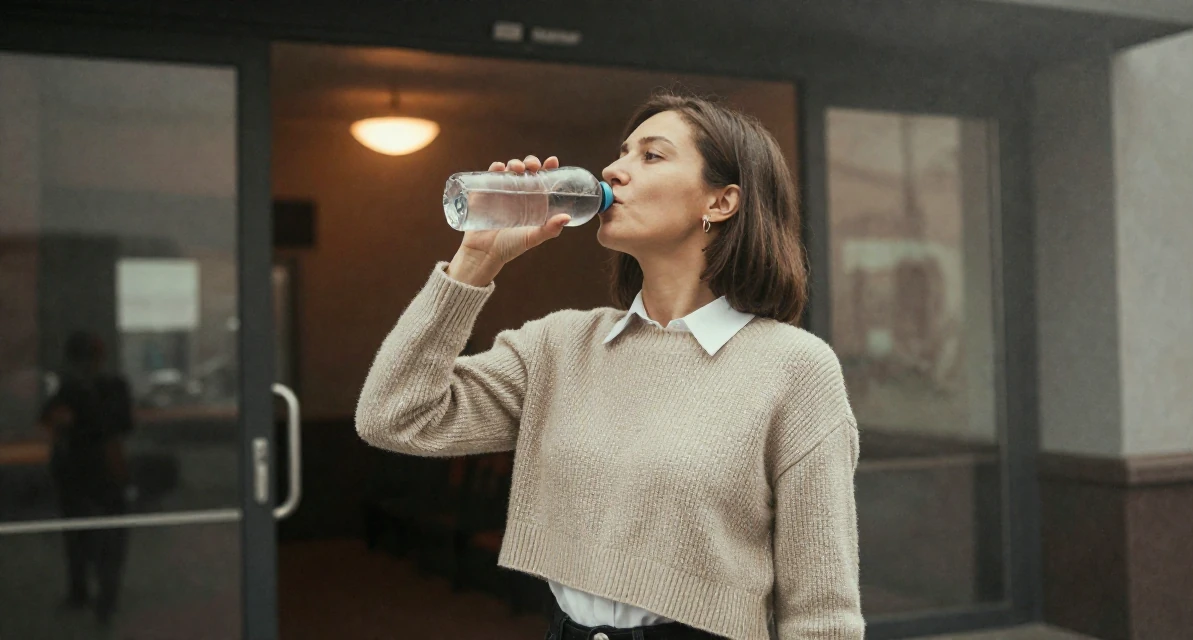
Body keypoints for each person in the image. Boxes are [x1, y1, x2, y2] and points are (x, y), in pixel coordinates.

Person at [356, 92, 864, 639]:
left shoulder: (793, 370)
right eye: (621, 153)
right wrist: (476, 261)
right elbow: (394, 415)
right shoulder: (560, 346)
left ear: (720, 203)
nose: (612, 170)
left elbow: (821, 610)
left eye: (651, 155)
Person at [40, 330, 133, 626]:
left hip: (87, 469)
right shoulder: (85, 388)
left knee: (91, 535)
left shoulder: (90, 389)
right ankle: (95, 593)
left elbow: (115, 425)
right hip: (88, 470)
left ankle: (94, 593)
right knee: (94, 536)